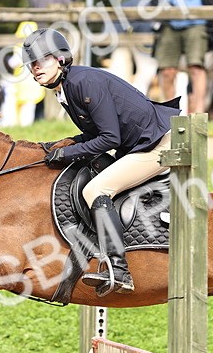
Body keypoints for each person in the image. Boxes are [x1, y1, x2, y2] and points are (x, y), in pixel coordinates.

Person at [24, 28, 179, 295]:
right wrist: (68, 142)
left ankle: (119, 270)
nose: (35, 68)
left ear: (60, 59)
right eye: (32, 64)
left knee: (96, 189)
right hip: (137, 146)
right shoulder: (67, 88)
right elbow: (95, 132)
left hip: (158, 146)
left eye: (42, 60)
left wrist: (67, 154)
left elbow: (109, 138)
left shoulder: (84, 83)